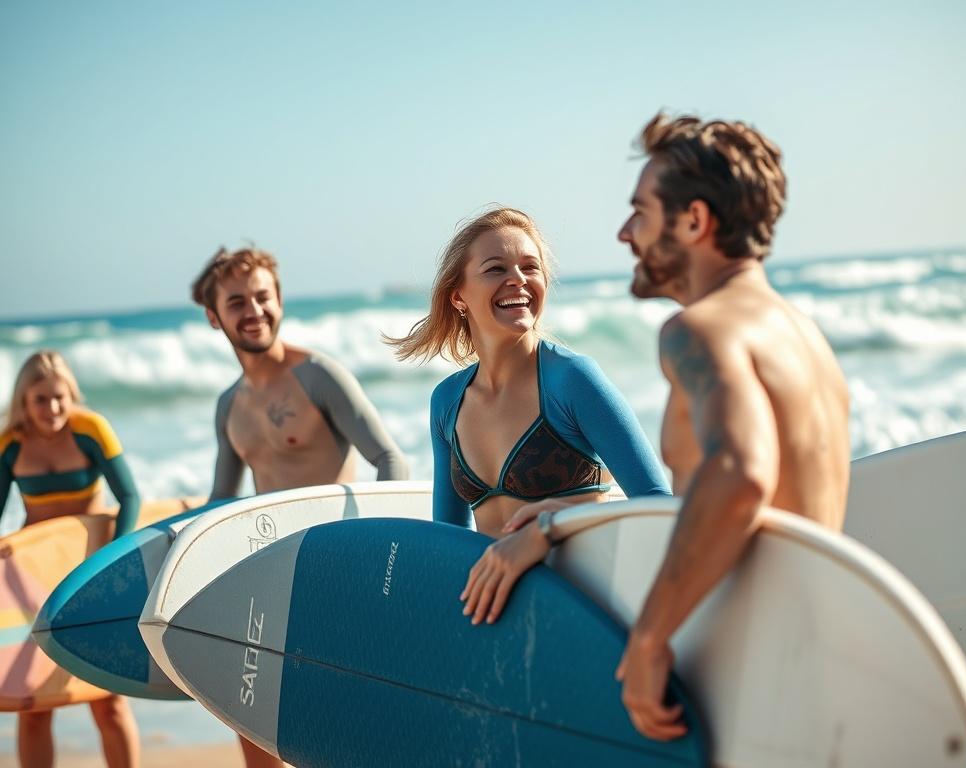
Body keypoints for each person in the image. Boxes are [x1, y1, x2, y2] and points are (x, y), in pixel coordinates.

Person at [610, 112, 850, 740]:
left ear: (693, 221)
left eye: (640, 211)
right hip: (818, 656)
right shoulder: (803, 338)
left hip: (755, 671)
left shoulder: (702, 330)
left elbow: (739, 473)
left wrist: (650, 636)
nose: (624, 232)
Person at [387, 207, 670, 625]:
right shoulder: (447, 401)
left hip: (583, 618)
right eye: (496, 268)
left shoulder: (570, 380)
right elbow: (449, 542)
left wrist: (551, 526)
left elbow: (658, 508)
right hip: (499, 626)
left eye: (530, 267)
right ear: (459, 296)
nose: (517, 278)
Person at [191, 245, 409, 768]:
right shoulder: (229, 406)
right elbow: (222, 502)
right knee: (244, 710)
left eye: (263, 297)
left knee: (336, 727)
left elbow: (390, 460)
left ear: (280, 300)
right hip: (271, 578)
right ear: (214, 317)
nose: (254, 311)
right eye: (237, 302)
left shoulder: (317, 377)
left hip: (335, 573)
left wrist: (379, 560)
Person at [0, 351, 141, 768]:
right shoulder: (11, 444)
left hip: (90, 570)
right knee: (35, 703)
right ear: (23, 402)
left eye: (60, 397)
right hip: (37, 574)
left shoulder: (90, 430)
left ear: (72, 395)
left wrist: (116, 561)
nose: (52, 408)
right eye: (40, 399)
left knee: (106, 698)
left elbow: (129, 497)